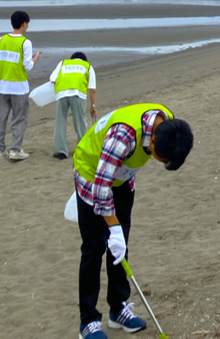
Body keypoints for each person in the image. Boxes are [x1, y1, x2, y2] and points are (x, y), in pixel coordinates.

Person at [72, 103, 193, 339]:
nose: (158, 161)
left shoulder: (168, 122)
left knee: (120, 246)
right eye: (161, 158)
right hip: (92, 174)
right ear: (154, 142)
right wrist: (112, 227)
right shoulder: (122, 137)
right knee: (94, 248)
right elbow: (101, 187)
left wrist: (118, 232)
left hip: (122, 176)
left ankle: (118, 309)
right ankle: (88, 321)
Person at [0, 10, 40, 161]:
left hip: (1, 84)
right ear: (24, 24)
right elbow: (28, 66)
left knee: (0, 118)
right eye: (27, 24)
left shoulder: (2, 39)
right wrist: (35, 58)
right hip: (18, 86)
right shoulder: (25, 42)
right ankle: (15, 149)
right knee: (19, 118)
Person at [49, 52, 97, 160]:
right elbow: (92, 90)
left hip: (61, 94)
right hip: (77, 94)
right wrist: (92, 106)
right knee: (80, 121)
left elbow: (52, 79)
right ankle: (82, 149)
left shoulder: (63, 63)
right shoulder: (87, 66)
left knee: (60, 122)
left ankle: (60, 151)